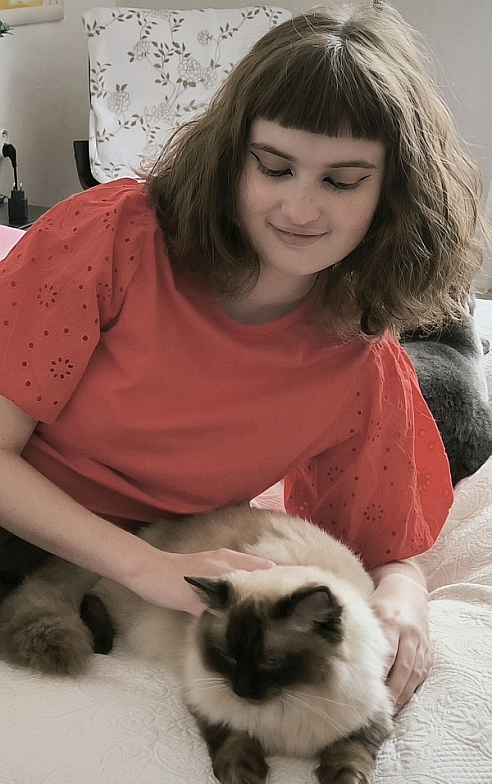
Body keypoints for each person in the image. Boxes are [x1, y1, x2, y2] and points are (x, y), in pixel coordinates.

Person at [0, 4, 487, 713]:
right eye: (276, 167)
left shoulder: (362, 366)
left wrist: (404, 596)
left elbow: (385, 543)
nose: (301, 208)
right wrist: (146, 567)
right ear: (233, 155)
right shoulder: (112, 237)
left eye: (342, 181)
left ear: (392, 193)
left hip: (145, 555)